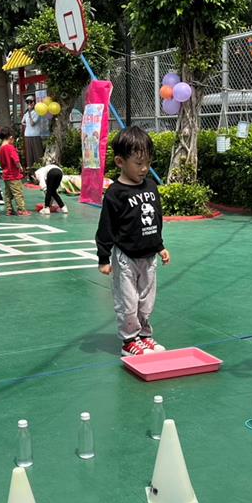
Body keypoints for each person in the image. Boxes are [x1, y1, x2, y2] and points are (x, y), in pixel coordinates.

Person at [96, 126, 170, 357]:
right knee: (128, 302)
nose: (144, 168)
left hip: (149, 257)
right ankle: (129, 341)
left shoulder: (150, 186)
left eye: (148, 162)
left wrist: (160, 246)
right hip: (126, 258)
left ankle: (144, 336)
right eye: (138, 163)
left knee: (146, 301)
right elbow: (106, 227)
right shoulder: (115, 194)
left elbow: (156, 218)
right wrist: (103, 257)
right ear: (120, 162)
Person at [0, 127, 29, 216]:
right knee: (18, 193)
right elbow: (16, 160)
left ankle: (9, 209)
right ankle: (21, 209)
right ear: (11, 137)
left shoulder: (0, 149)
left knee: (8, 194)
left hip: (6, 175)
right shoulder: (10, 148)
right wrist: (20, 167)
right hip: (14, 175)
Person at [21, 94, 44, 175]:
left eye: (31, 102)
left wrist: (30, 113)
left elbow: (32, 123)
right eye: (27, 102)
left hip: (35, 135)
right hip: (27, 135)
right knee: (29, 155)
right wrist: (26, 124)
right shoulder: (26, 113)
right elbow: (22, 122)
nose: (29, 104)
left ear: (34, 102)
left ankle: (39, 172)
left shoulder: (37, 112)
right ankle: (30, 173)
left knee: (38, 154)